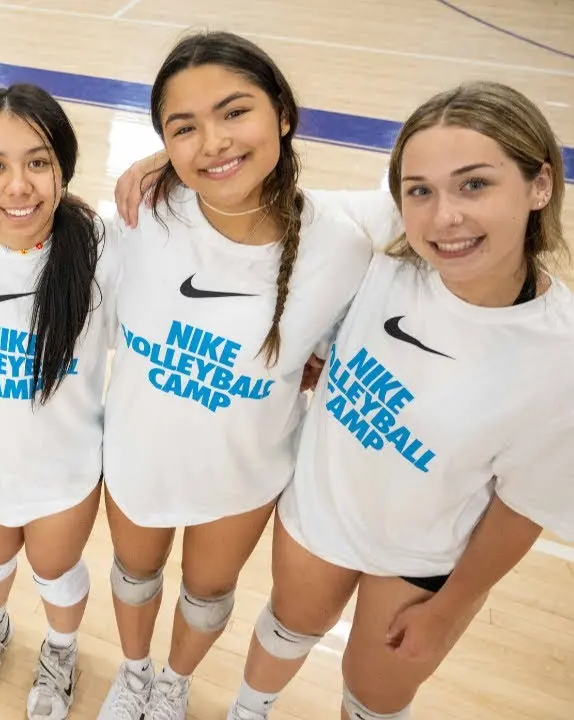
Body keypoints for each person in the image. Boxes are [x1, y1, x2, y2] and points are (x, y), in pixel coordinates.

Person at [226, 81, 574, 720]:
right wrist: (168, 162)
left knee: (375, 692)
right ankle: (249, 709)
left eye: (475, 185)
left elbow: (523, 509)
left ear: (540, 185)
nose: (444, 218)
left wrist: (449, 610)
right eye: (420, 190)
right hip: (322, 507)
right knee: (287, 626)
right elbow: (248, 195)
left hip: (424, 554)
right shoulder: (392, 237)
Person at [96, 32, 372, 720]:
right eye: (183, 127)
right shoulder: (141, 215)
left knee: (207, 594)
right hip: (138, 454)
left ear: (283, 112)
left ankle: (175, 682)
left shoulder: (345, 243)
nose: (213, 142)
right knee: (134, 576)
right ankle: (134, 671)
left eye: (234, 112)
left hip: (242, 472)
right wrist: (164, 162)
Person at [0, 83, 121, 720]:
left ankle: (61, 649)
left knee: (56, 572)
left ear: (65, 164)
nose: (17, 186)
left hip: (62, 468)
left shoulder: (105, 250)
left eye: (38, 162)